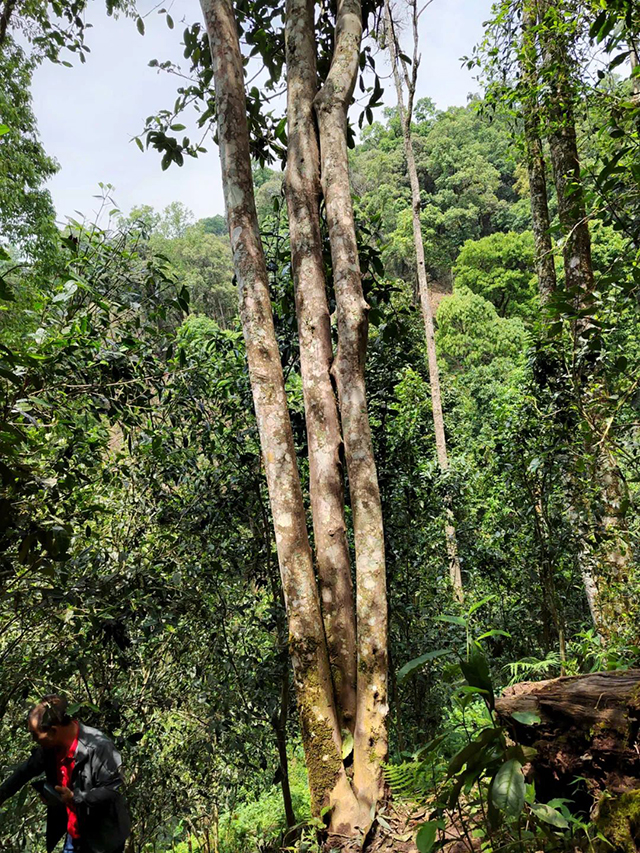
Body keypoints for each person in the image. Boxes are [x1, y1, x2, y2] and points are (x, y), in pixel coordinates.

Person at [0, 694, 131, 853]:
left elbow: (111, 791)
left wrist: (76, 797)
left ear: (53, 731)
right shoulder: (49, 750)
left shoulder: (99, 747)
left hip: (103, 839)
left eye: (35, 735)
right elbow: (24, 772)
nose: (33, 739)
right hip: (74, 835)